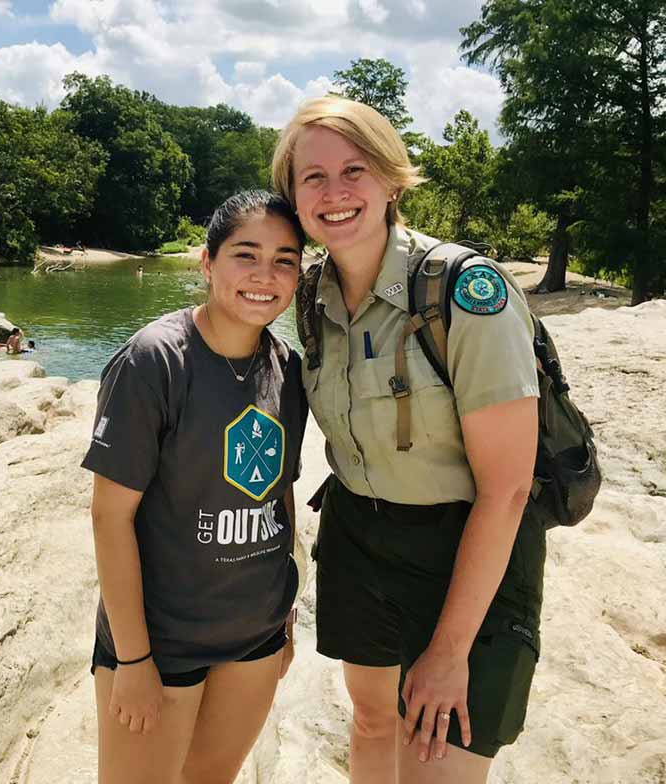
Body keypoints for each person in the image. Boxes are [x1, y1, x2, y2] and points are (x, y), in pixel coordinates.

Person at [271, 96, 543, 783]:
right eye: (313, 177)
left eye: (354, 170)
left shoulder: (464, 290)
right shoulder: (311, 297)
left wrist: (450, 651)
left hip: (466, 552)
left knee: (434, 758)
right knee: (370, 723)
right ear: (293, 196)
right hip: (359, 538)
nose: (334, 193)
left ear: (392, 178)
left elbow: (509, 489)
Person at [82, 190, 309, 784]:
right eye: (246, 255)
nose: (266, 276)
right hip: (162, 642)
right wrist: (133, 660)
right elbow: (110, 517)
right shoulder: (154, 361)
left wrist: (285, 611)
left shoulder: (288, 371)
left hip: (254, 637)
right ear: (207, 263)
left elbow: (279, 496)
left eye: (285, 259)